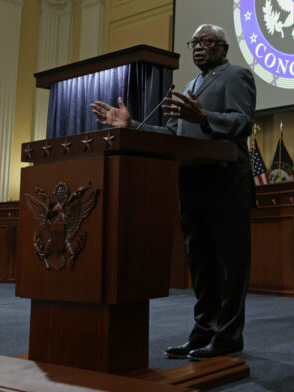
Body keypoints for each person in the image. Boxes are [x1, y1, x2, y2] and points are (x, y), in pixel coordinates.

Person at [91, 24, 256, 360]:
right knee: (202, 266)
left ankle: (228, 337)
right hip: (190, 182)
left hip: (226, 182)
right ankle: (203, 332)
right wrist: (133, 126)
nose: (198, 48)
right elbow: (171, 134)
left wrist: (205, 115)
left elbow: (243, 122)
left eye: (207, 42)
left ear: (223, 48)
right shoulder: (191, 84)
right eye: (194, 42)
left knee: (229, 266)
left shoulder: (237, 75)